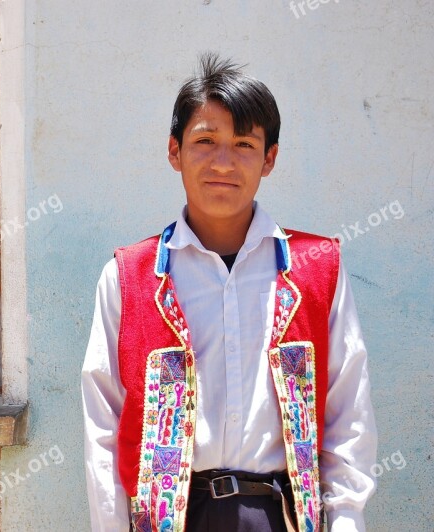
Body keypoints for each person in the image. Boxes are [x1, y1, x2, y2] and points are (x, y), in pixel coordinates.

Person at [81, 54, 377, 531]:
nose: (223, 161)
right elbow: (103, 430)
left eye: (243, 143)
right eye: (205, 141)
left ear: (270, 158)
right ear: (174, 151)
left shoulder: (316, 268)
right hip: (170, 519)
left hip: (282, 515)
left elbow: (348, 414)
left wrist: (344, 522)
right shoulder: (129, 277)